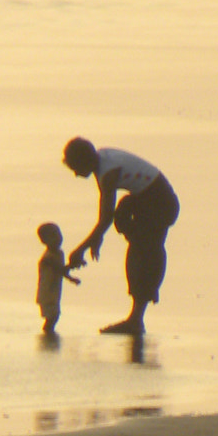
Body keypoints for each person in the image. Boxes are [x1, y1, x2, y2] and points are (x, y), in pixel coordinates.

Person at [62, 137, 180, 336]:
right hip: (143, 199)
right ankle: (139, 306)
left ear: (85, 162)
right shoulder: (103, 158)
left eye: (75, 168)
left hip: (161, 204)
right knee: (130, 230)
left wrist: (81, 249)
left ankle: (136, 319)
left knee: (142, 254)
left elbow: (105, 217)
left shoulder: (108, 173)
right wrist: (96, 238)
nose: (75, 174)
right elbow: (108, 217)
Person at [35, 222, 80, 336]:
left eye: (59, 235)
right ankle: (47, 333)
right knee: (53, 316)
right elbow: (59, 269)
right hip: (47, 292)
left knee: (54, 315)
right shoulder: (48, 257)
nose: (58, 239)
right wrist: (72, 269)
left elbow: (61, 270)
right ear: (44, 241)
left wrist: (71, 272)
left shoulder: (59, 253)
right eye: (54, 236)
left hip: (54, 291)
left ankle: (48, 332)